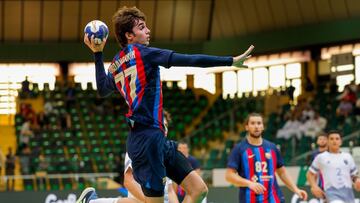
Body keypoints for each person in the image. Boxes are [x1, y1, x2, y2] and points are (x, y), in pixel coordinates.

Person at [83, 6, 254, 203]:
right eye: (142, 27)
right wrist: (230, 61)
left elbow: (102, 89)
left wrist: (98, 54)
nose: (148, 31)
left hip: (156, 138)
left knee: (199, 190)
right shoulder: (145, 53)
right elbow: (189, 60)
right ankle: (93, 202)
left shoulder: (115, 63)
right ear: (129, 35)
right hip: (146, 140)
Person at [77, 111, 178, 203]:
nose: (164, 129)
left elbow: (170, 190)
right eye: (161, 125)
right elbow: (128, 181)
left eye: (166, 125)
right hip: (142, 199)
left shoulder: (167, 150)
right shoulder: (138, 146)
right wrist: (148, 202)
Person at [225, 113, 308, 203]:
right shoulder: (239, 149)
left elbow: (282, 172)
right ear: (246, 127)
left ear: (263, 127)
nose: (256, 126)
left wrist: (296, 189)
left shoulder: (272, 147)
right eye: (252, 123)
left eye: (259, 123)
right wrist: (249, 183)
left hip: (274, 198)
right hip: (249, 199)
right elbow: (229, 176)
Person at [307, 130, 360, 203]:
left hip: (348, 193)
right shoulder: (321, 157)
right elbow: (310, 174)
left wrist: (357, 181)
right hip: (331, 192)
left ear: (341, 141)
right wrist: (314, 186)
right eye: (331, 139)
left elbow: (353, 175)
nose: (334, 141)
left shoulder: (348, 157)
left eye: (337, 139)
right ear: (327, 142)